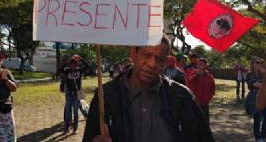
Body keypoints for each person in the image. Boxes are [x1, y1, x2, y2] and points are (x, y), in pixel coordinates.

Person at [83, 34, 214, 142]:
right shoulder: (106, 96)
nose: (152, 64)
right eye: (146, 55)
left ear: (165, 61)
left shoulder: (182, 96)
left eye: (159, 58)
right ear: (133, 53)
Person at [62, 55, 89, 135]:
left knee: (76, 112)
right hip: (69, 93)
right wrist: (66, 63)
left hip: (77, 93)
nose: (73, 66)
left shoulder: (80, 71)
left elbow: (88, 66)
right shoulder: (67, 71)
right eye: (71, 64)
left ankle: (75, 129)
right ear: (69, 65)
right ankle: (66, 129)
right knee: (67, 111)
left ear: (77, 65)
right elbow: (60, 69)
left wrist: (81, 59)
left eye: (75, 64)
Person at [246, 58, 266, 142]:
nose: (259, 64)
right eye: (257, 62)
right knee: (257, 118)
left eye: (260, 62)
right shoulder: (249, 74)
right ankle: (258, 138)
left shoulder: (263, 73)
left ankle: (263, 136)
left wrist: (265, 74)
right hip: (255, 98)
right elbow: (256, 84)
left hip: (265, 97)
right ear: (253, 64)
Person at [186, 58, 215, 123]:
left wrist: (208, 98)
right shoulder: (193, 73)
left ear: (205, 66)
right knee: (194, 122)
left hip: (205, 103)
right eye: (198, 64)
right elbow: (189, 83)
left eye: (201, 64)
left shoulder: (209, 77)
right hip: (194, 102)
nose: (198, 66)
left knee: (205, 122)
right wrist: (196, 75)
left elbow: (212, 89)